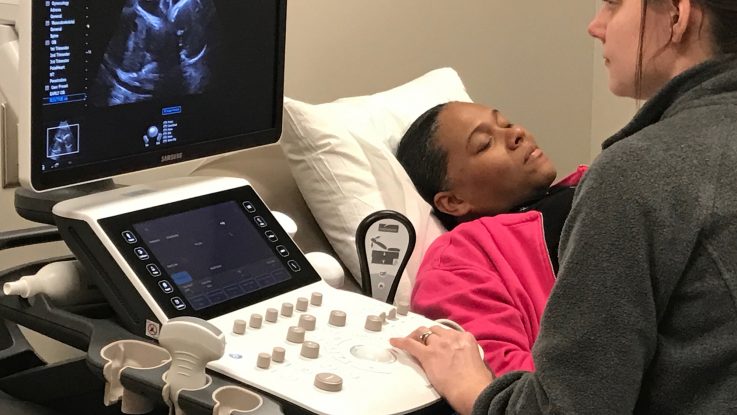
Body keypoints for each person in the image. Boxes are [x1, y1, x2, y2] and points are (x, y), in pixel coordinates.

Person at [391, 0, 737, 414]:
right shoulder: (464, 254)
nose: (596, 26)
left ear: (677, 15)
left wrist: (473, 389)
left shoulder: (634, 176)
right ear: (452, 201)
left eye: (613, 4)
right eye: (484, 144)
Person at [396, 101, 587, 376]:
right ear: (453, 201)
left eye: (507, 124)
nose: (517, 133)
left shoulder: (589, 186)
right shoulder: (461, 259)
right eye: (485, 144)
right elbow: (505, 381)